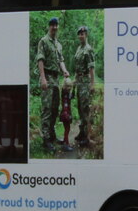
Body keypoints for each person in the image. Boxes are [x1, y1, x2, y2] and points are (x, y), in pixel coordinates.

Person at [35, 17, 69, 153]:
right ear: (49, 26)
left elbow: (61, 60)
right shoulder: (43, 41)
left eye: (56, 25)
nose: (54, 27)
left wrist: (65, 70)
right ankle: (46, 140)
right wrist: (43, 78)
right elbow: (40, 60)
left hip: (56, 79)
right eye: (52, 25)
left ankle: (52, 134)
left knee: (55, 108)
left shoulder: (58, 44)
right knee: (47, 109)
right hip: (47, 77)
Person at [73, 25, 95, 148]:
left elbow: (91, 68)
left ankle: (87, 137)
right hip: (79, 81)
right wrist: (75, 82)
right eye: (79, 34)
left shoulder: (88, 49)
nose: (81, 35)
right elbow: (77, 68)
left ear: (86, 35)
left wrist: (92, 84)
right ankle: (82, 132)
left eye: (83, 33)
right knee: (80, 108)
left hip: (86, 81)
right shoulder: (79, 49)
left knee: (86, 109)